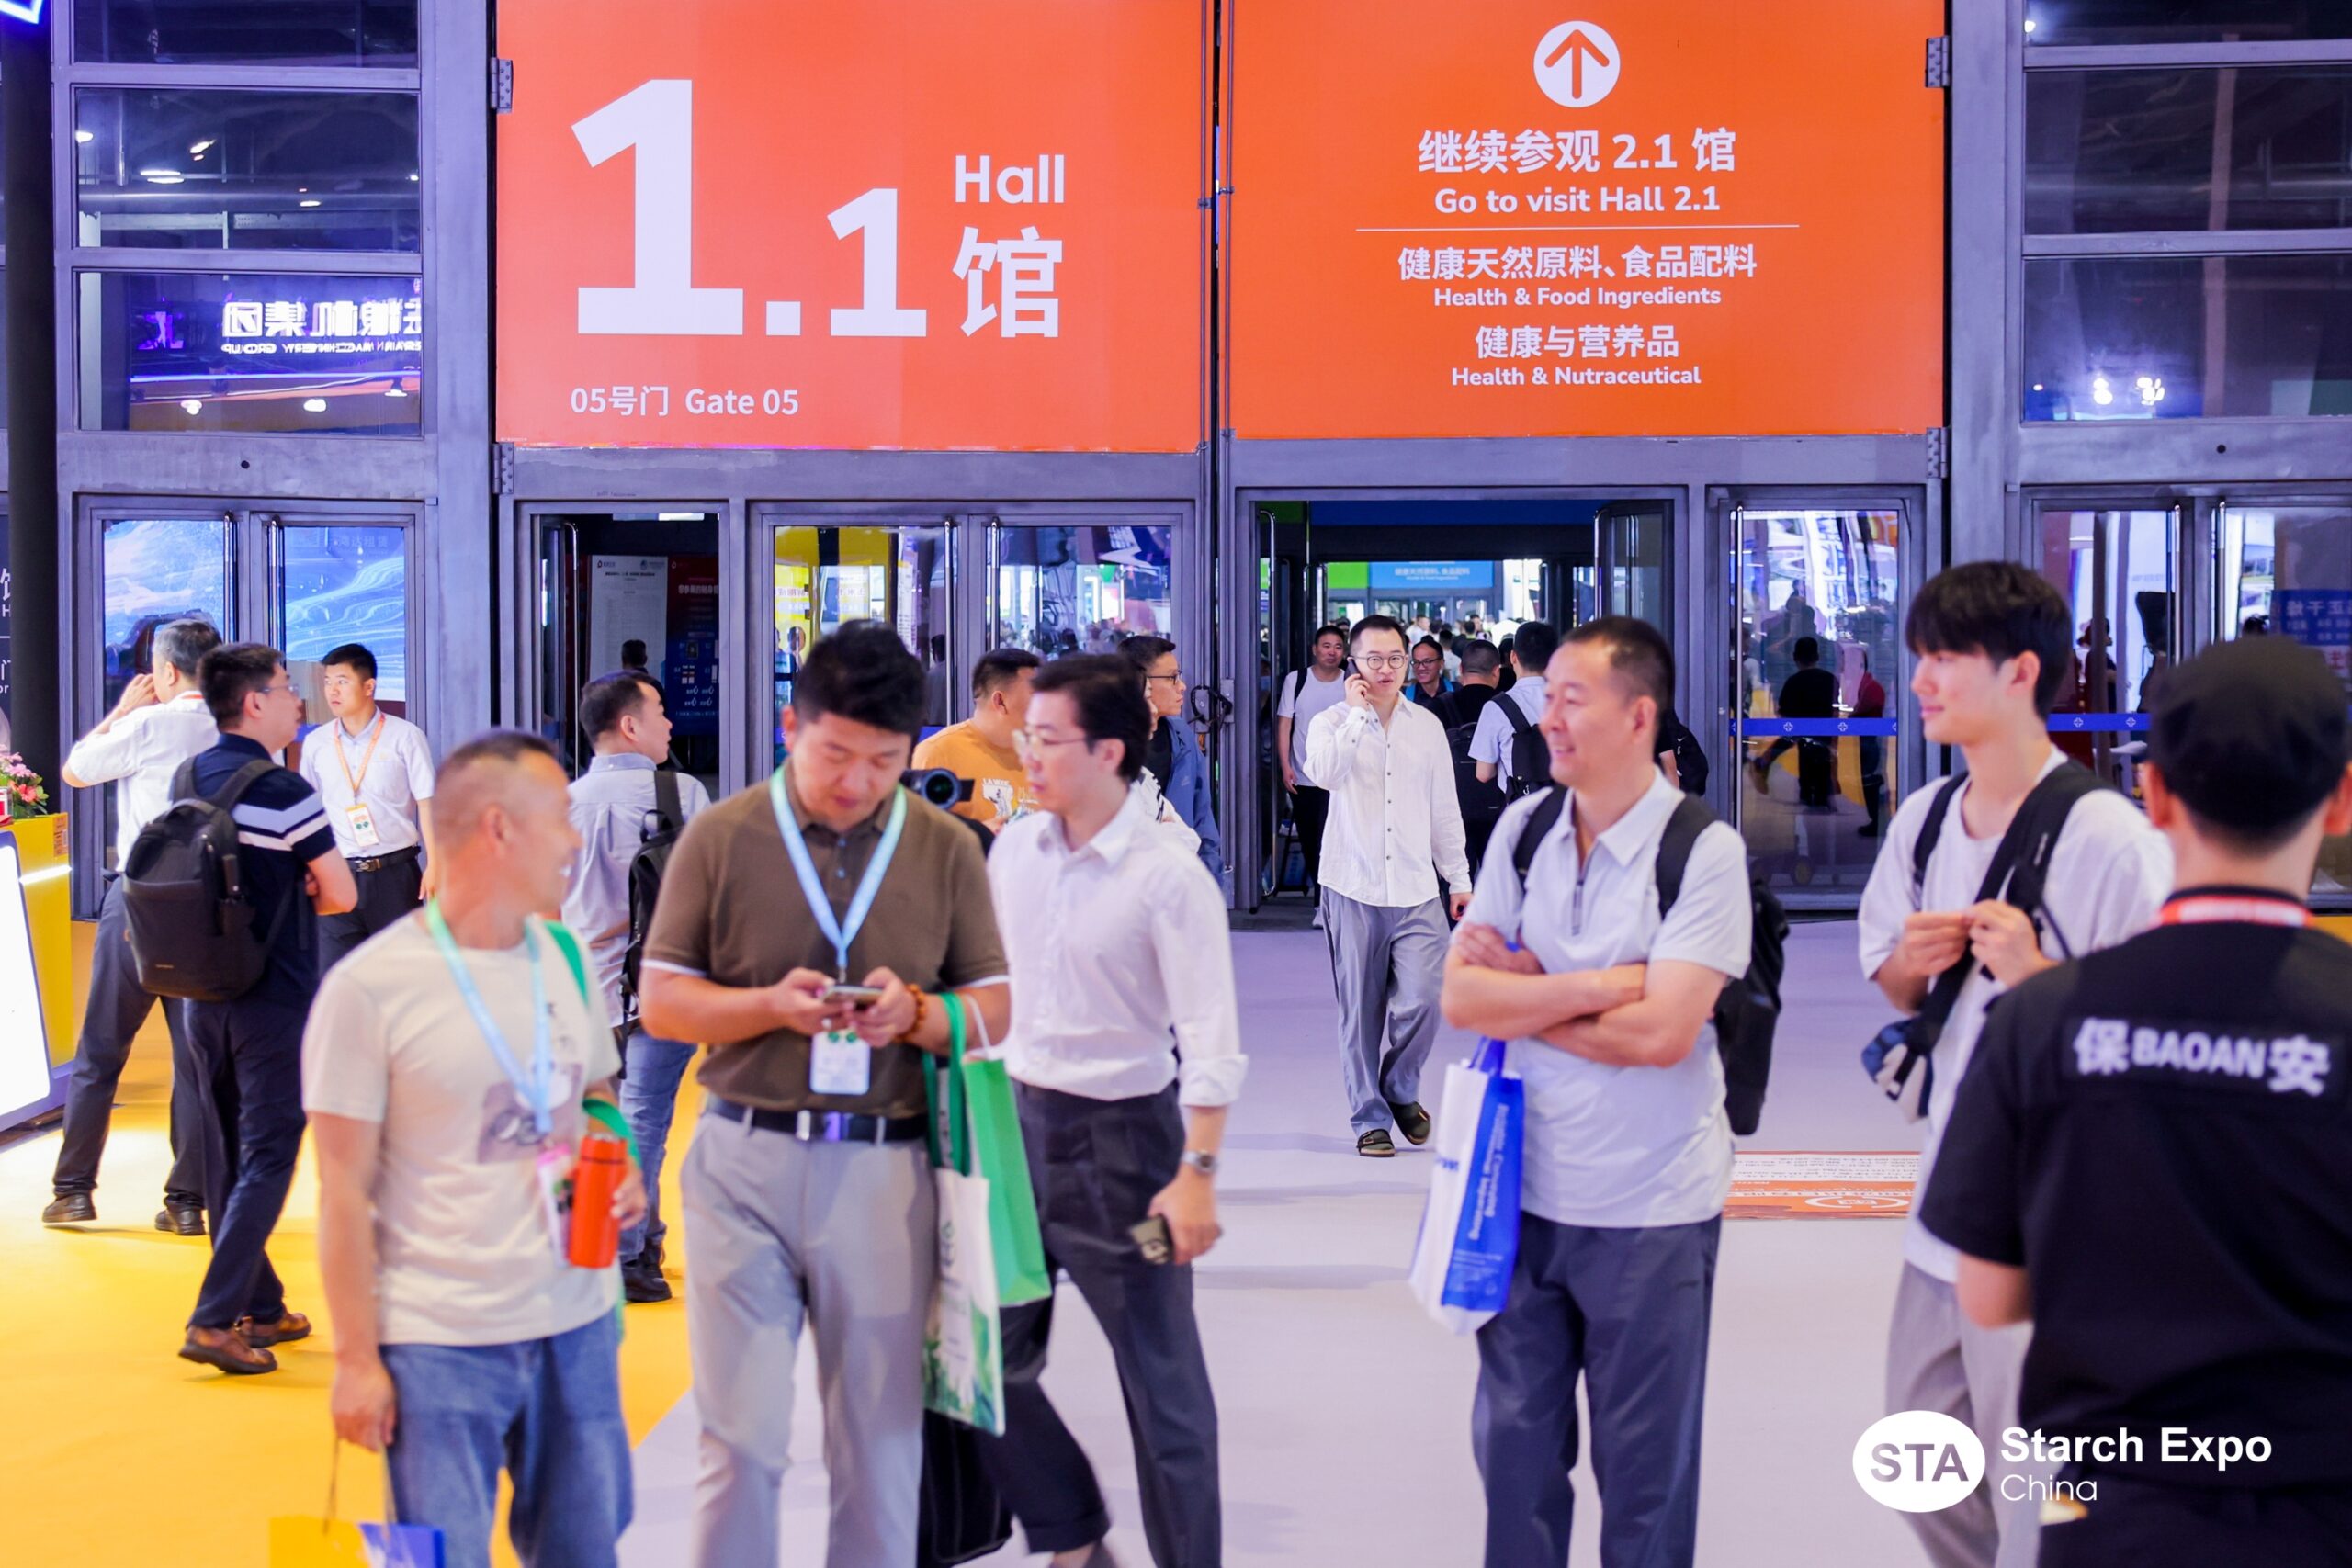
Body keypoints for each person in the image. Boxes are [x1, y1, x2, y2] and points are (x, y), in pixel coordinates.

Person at [1919, 636, 2352, 1566]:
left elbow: (1988, 1294)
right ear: (2341, 800)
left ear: (2152, 796)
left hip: (2111, 1505)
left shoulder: (2041, 1018)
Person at [637, 621, 1012, 1568]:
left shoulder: (944, 846)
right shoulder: (723, 836)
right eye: (835, 754)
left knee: (880, 1447)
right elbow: (663, 1001)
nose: (857, 781)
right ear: (790, 727)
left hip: (887, 1171)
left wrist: (917, 1014)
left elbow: (995, 1008)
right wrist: (767, 1006)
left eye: (884, 761)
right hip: (742, 1164)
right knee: (740, 1442)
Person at [1859, 562, 2171, 1568]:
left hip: (2063, 1218)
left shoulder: (2111, 840)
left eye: (1945, 657)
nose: (1920, 680)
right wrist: (1916, 962)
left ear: (2021, 671)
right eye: (1920, 657)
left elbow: (2156, 1045)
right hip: (1950, 1201)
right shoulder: (1922, 820)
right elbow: (1896, 989)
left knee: (2043, 1488)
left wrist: (2037, 975)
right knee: (1922, 1459)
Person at [1442, 616, 1753, 1568]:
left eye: (1572, 699)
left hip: (1653, 1212)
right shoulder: (1525, 831)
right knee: (1515, 1466)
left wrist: (1530, 995)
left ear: (1639, 716)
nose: (1550, 718)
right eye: (1549, 699)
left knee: (1645, 1484)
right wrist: (1604, 986)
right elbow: (1462, 997)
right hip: (1522, 1197)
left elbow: (1663, 1036)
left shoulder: (1702, 850)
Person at [308, 732, 647, 1568]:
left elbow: (596, 1096)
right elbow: (341, 1192)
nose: (573, 839)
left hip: (575, 1321)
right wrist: (355, 1361)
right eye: (558, 817)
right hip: (437, 1338)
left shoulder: (563, 956)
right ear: (498, 827)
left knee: (586, 1548)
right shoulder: (368, 989)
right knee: (442, 1556)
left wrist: (617, 1160)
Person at [978, 656, 1244, 1568]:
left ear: (1109, 752)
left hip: (1130, 1150)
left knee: (1163, 1389)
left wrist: (1195, 1174)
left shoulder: (1169, 876)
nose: (1028, 753)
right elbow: (996, 990)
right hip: (1017, 1138)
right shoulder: (1014, 852)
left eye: (1047, 739)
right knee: (979, 1359)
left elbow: (1211, 1041)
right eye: (1027, 735)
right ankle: (1075, 1535)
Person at [178, 643, 358, 1374]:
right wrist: (300, 884)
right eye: (286, 689)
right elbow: (341, 892)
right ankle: (213, 1319)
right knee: (270, 1154)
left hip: (200, 994)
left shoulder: (188, 776)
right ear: (254, 702)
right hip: (273, 998)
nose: (298, 701)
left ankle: (262, 1304)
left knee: (226, 1151)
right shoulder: (286, 789)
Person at [45, 617, 221, 1233]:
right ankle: (188, 1202)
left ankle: (73, 1190)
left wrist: (120, 711)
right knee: (195, 1060)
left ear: (167, 670)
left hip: (138, 901)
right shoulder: (233, 730)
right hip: (205, 907)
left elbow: (75, 769)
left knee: (101, 1049)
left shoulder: (147, 724)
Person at [560, 671, 712, 1304]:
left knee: (606, 1118)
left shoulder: (561, 802)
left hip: (583, 988)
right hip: (660, 985)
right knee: (646, 1119)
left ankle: (640, 1238)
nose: (670, 723)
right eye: (659, 711)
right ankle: (627, 1254)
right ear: (629, 725)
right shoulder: (682, 792)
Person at [1306, 615, 1471, 1157]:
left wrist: (1458, 877)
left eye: (1395, 658)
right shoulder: (1330, 721)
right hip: (1352, 884)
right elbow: (1324, 775)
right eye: (1373, 659)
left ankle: (1399, 1087)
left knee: (1426, 998)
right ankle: (1368, 1117)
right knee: (1360, 1011)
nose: (1386, 669)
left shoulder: (1427, 727)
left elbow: (1444, 807)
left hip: (1417, 885)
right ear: (1353, 664)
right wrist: (1358, 717)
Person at [298, 642, 440, 974]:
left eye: (342, 681)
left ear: (369, 686)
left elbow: (427, 801)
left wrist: (435, 864)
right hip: (338, 875)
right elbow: (308, 811)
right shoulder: (317, 743)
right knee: (335, 976)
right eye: (327, 682)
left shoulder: (405, 736)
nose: (332, 691)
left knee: (401, 975)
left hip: (394, 874)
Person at [1120, 634, 1223, 881]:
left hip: (1183, 879)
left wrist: (1210, 878)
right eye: (1172, 677)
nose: (1182, 686)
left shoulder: (1182, 736)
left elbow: (1202, 815)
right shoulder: (1110, 751)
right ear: (1138, 681)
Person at [913, 647, 1043, 833]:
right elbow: (918, 835)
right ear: (1000, 702)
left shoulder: (1042, 755)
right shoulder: (938, 753)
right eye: (1036, 697)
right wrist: (979, 835)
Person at [1274, 625, 1351, 908]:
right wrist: (1285, 765)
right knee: (1311, 839)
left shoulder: (1350, 681)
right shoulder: (1297, 680)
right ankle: (1321, 901)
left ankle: (1330, 901)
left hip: (1340, 777)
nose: (1332, 652)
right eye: (1326, 646)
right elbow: (1285, 724)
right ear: (1315, 649)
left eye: (1338, 647)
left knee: (1337, 840)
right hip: (1304, 775)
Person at [1437, 640, 1507, 876]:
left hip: (1452, 811)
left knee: (1457, 883)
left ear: (1461, 669)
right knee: (1497, 884)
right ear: (1497, 671)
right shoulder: (1507, 708)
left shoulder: (1440, 706)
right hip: (1498, 809)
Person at [1471, 619, 1560, 798]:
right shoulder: (1571, 702)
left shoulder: (1495, 708)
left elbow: (1483, 773)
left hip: (1520, 807)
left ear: (1513, 657)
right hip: (1566, 806)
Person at [1752, 636, 1839, 810]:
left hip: (1800, 732)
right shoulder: (1830, 679)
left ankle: (1805, 790)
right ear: (1818, 656)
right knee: (1823, 762)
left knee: (1805, 761)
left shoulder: (1793, 682)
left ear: (1795, 658)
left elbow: (1784, 712)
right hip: (1824, 731)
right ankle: (1822, 795)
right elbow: (1834, 709)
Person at [1855, 652, 1889, 837]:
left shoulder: (1871, 686)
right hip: (1867, 736)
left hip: (1869, 738)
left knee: (1869, 780)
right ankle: (1876, 820)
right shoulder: (1868, 684)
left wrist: (1852, 715)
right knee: (1868, 778)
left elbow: (1863, 707)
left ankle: (1876, 821)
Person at [1408, 637, 1453, 710]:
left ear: (1441, 663)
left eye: (1427, 662)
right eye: (1416, 662)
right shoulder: (1404, 697)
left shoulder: (1457, 691)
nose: (1421, 667)